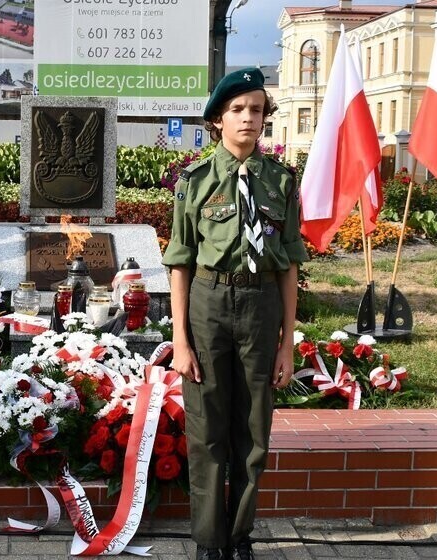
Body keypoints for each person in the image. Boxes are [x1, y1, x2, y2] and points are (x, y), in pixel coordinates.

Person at [162, 68, 308, 560]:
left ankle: (240, 534)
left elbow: (289, 265)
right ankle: (209, 539)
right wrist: (180, 341)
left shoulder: (282, 182)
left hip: (261, 306)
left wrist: (287, 341)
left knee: (253, 430)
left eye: (258, 109)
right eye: (238, 109)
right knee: (205, 430)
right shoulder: (195, 181)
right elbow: (179, 263)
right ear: (218, 119)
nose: (249, 118)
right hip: (208, 304)